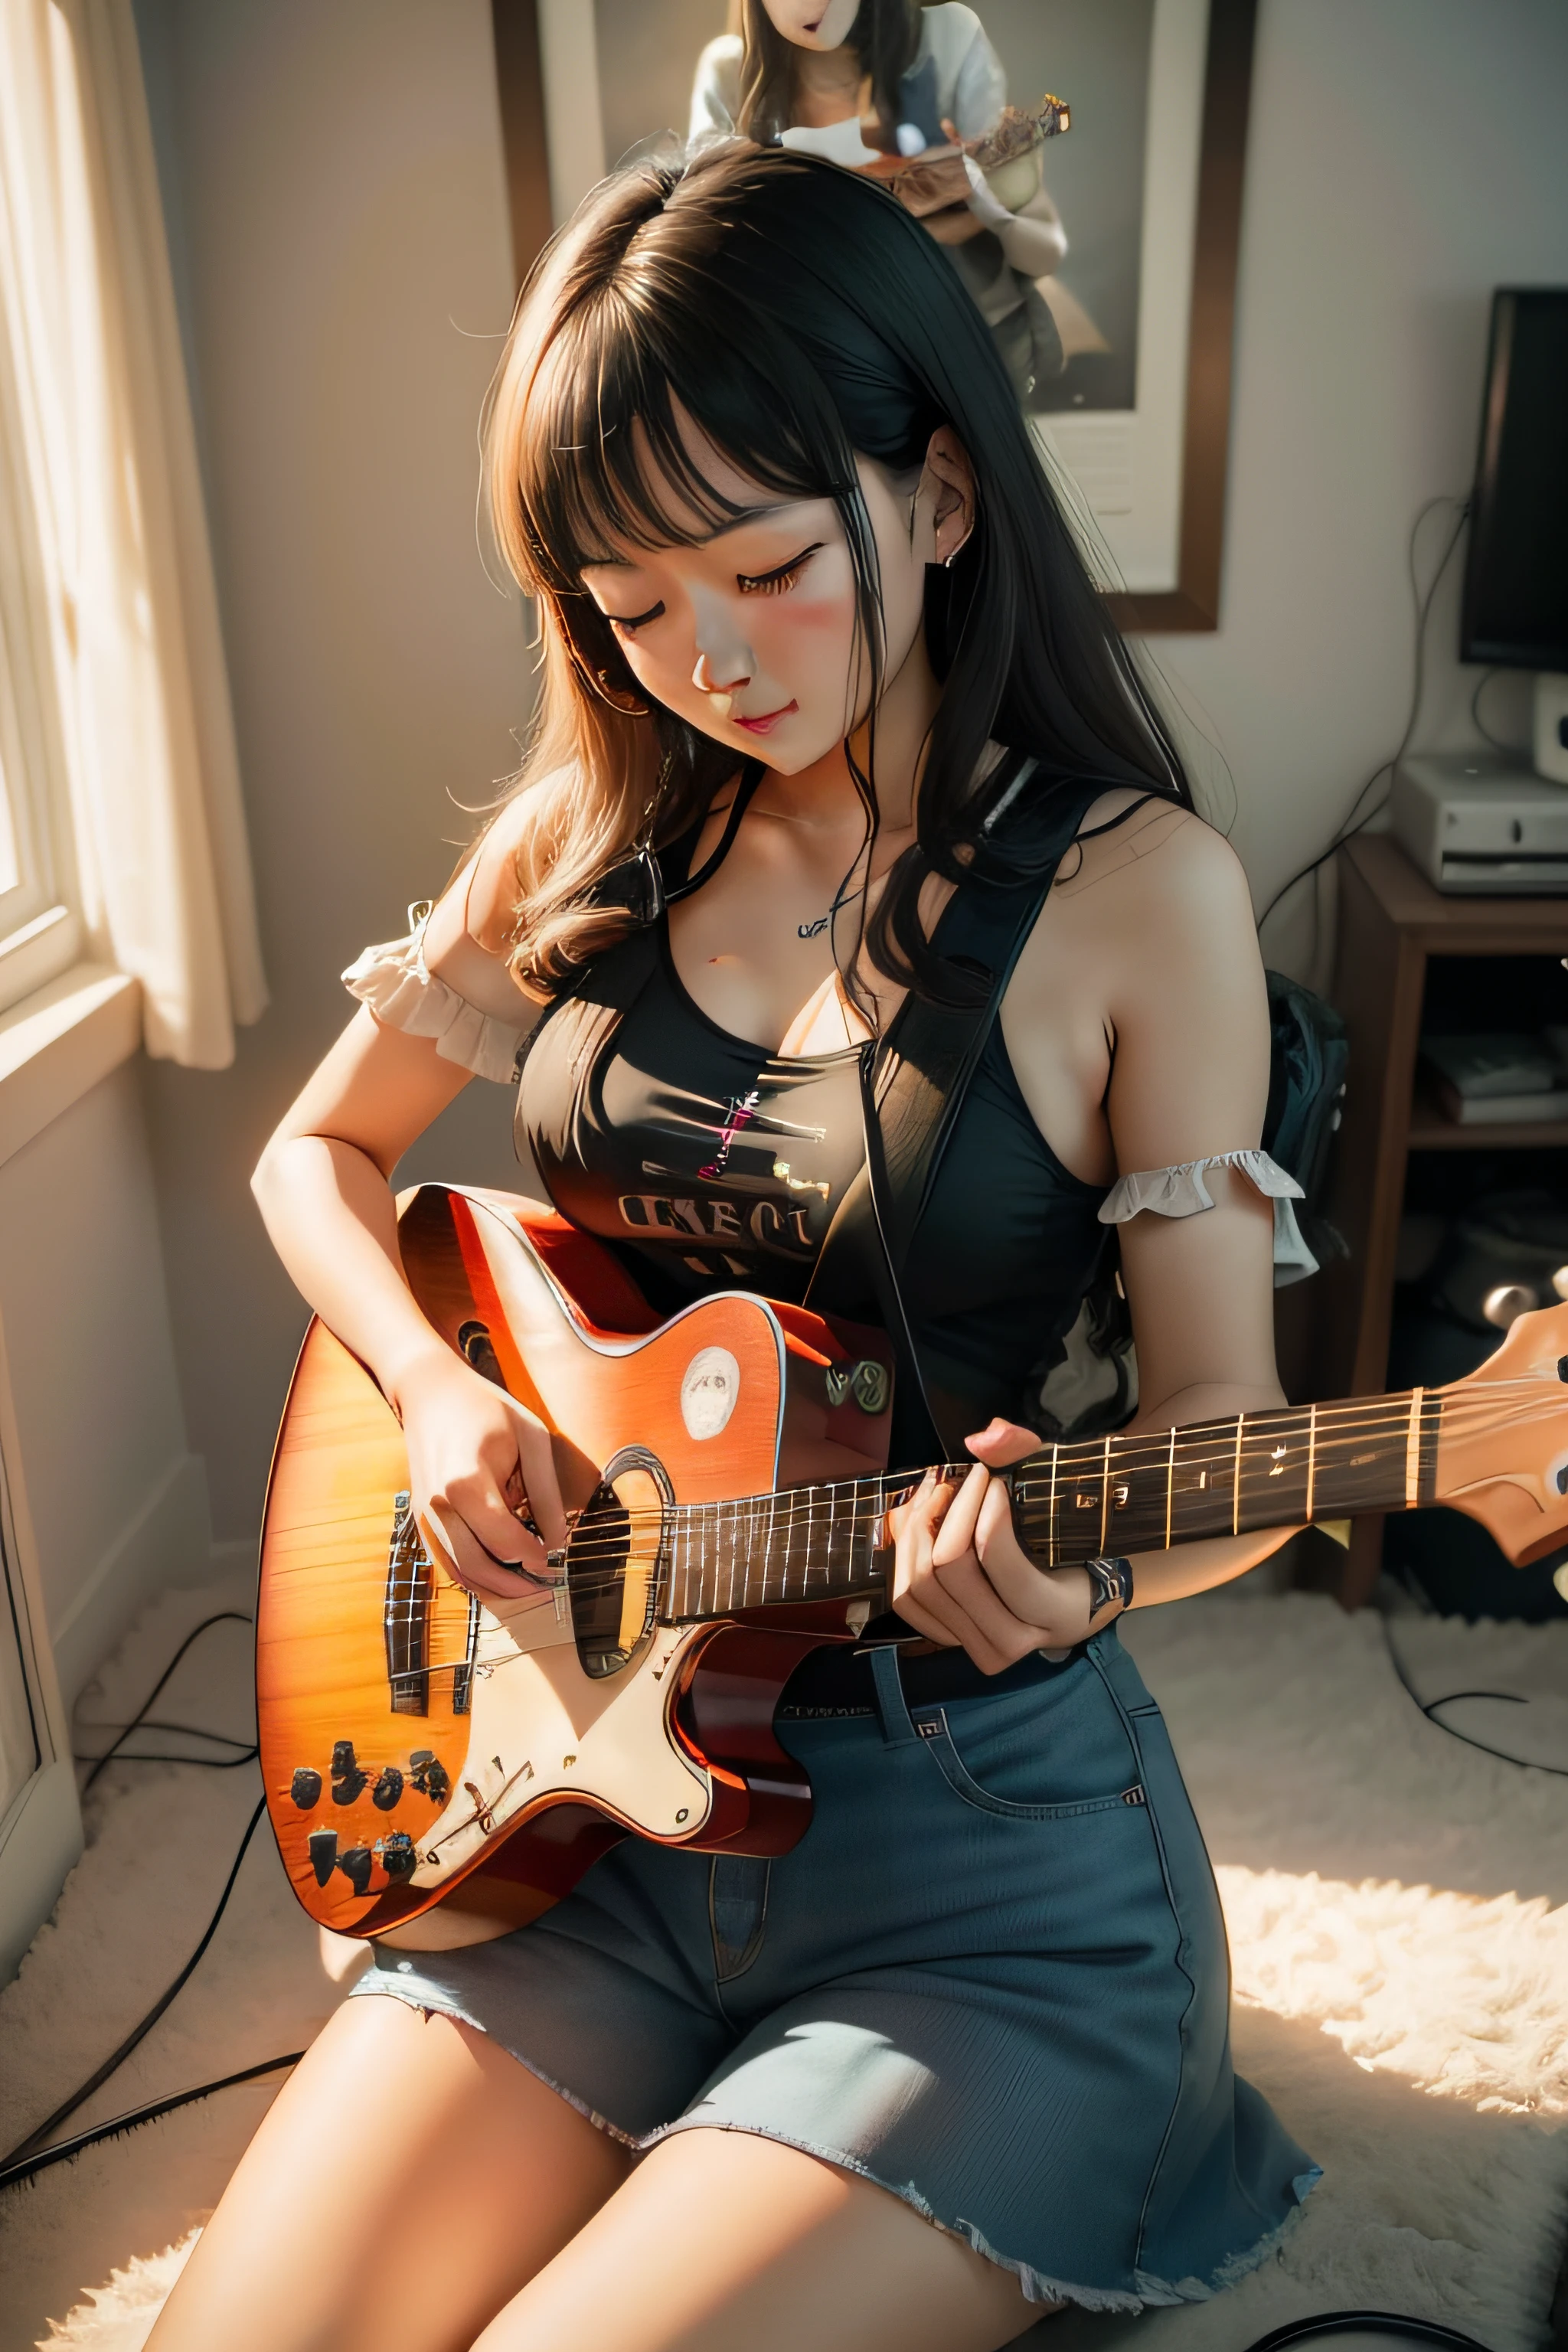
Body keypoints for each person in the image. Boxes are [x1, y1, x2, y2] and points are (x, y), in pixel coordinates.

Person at [146, 143, 1318, 2352]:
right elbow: (315, 1158)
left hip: (978, 1852)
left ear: (946, 498)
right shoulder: (591, 838)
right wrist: (436, 1386)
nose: (703, 658)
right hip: (596, 1800)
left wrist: (1085, 1567)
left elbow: (1223, 1429)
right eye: (624, 599)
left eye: (767, 566)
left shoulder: (1137, 893)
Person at [691, 2, 1068, 405]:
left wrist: (977, 205)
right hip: (810, 359)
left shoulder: (945, 39)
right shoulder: (731, 73)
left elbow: (1032, 236)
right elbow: (704, 237)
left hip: (957, 343)